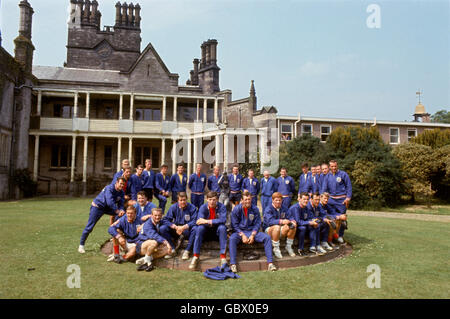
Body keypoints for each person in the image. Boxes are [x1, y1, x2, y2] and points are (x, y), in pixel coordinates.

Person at [228, 191, 276, 273]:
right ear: (242, 200)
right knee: (232, 238)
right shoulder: (236, 209)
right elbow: (234, 225)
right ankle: (233, 264)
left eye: (249, 199)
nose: (248, 201)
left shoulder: (255, 209)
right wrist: (242, 235)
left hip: (251, 232)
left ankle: (270, 263)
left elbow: (257, 223)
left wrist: (253, 234)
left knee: (267, 237)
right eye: (246, 199)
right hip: (240, 232)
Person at [78, 178, 126, 253]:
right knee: (90, 226)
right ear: (116, 183)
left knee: (124, 215)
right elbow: (109, 202)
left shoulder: (122, 192)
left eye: (123, 184)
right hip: (98, 207)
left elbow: (121, 203)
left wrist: (122, 210)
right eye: (120, 183)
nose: (122, 185)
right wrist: (117, 210)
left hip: (107, 208)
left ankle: (117, 235)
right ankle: (81, 245)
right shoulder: (109, 188)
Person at [191, 191, 228, 270]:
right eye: (210, 199)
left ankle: (223, 258)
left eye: (214, 200)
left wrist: (208, 221)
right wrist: (211, 221)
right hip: (206, 232)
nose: (212, 202)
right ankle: (195, 256)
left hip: (217, 232)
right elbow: (199, 221)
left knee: (222, 228)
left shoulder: (222, 207)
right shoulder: (203, 207)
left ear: (217, 200)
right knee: (200, 228)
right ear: (206, 199)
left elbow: (223, 220)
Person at [160, 192, 198, 260]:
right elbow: (165, 219)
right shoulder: (173, 207)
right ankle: (173, 249)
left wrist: (184, 227)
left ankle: (187, 251)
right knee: (162, 228)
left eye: (184, 200)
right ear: (178, 200)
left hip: (186, 229)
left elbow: (195, 221)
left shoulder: (192, 208)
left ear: (187, 199)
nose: (183, 202)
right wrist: (174, 226)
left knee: (195, 229)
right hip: (176, 229)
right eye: (181, 200)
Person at [320, 160, 351, 243]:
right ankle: (332, 236)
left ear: (337, 166)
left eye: (335, 166)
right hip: (331, 200)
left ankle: (340, 236)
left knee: (342, 219)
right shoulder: (327, 176)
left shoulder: (343, 174)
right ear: (329, 167)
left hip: (341, 200)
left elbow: (349, 187)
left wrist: (348, 198)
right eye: (332, 166)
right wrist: (321, 197)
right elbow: (324, 188)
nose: (333, 168)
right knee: (332, 217)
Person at [262, 192, 297, 258]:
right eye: (276, 200)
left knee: (293, 226)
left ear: (282, 200)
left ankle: (288, 246)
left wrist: (293, 221)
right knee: (277, 227)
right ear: (272, 200)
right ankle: (276, 248)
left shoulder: (284, 208)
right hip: (269, 229)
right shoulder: (268, 208)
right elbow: (270, 221)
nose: (278, 202)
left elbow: (290, 216)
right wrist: (281, 221)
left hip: (280, 229)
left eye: (279, 200)